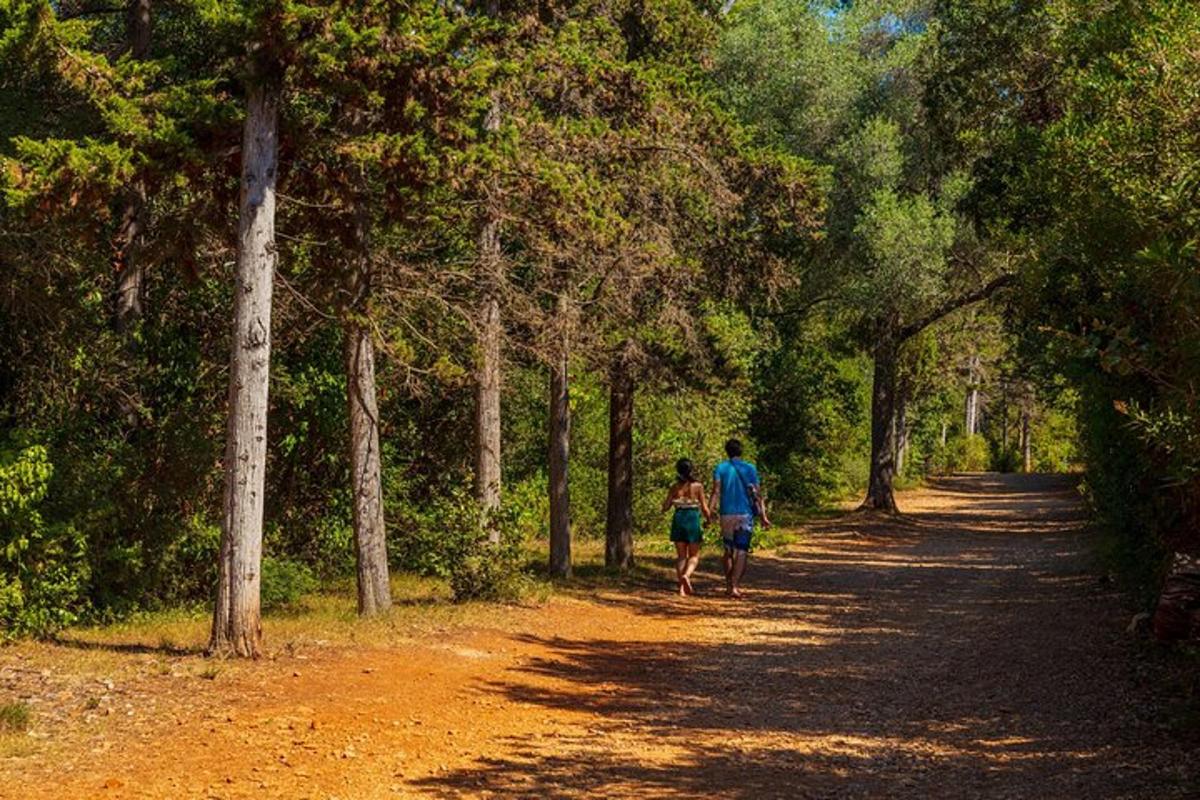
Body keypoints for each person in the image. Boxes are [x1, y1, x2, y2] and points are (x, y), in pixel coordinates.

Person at [710, 438, 770, 598]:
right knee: (742, 551)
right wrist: (763, 516)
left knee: (728, 549)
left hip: (726, 513)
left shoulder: (720, 468)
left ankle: (728, 584)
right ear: (741, 451)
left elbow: (716, 491)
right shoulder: (750, 468)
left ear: (727, 451)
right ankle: (735, 585)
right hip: (744, 514)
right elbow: (757, 494)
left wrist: (710, 511)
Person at [661, 458, 712, 596]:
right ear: (691, 470)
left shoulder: (674, 487)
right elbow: (705, 508)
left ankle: (681, 588)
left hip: (679, 519)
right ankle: (687, 576)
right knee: (694, 555)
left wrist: (668, 503)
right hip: (693, 519)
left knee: (681, 556)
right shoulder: (698, 486)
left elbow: (665, 507)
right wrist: (708, 520)